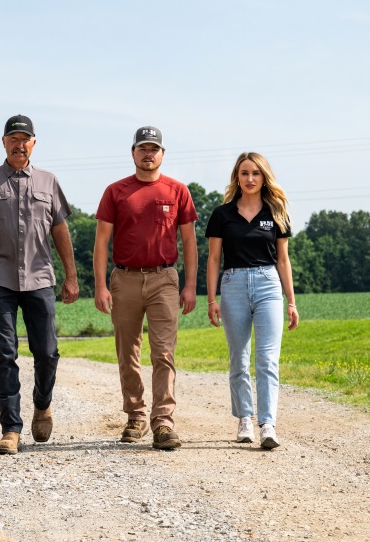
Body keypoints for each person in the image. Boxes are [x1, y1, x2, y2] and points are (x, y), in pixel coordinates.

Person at [0, 114, 79, 455]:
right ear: (3, 143)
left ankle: (42, 404)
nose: (19, 143)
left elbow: (60, 231)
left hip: (40, 277)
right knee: (5, 353)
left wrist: (71, 275)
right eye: (13, 138)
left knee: (46, 351)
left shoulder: (48, 181)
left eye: (24, 138)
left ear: (33, 143)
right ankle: (10, 428)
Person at [93, 126, 198, 451]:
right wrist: (100, 285)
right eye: (143, 148)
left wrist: (191, 285)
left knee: (163, 353)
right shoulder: (116, 191)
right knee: (128, 352)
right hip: (124, 279)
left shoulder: (177, 191)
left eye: (154, 148)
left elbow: (190, 242)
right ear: (133, 153)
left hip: (164, 279)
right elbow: (101, 242)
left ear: (162, 154)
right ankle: (136, 416)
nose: (148, 153)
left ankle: (163, 422)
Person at [205, 152, 299, 450]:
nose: (249, 179)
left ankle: (267, 425)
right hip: (232, 286)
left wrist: (292, 302)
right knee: (239, 359)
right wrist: (211, 300)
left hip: (268, 284)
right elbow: (214, 259)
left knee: (267, 359)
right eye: (244, 173)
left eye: (255, 173)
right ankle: (245, 418)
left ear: (264, 177)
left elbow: (283, 260)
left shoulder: (276, 212)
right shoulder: (222, 215)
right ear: (237, 177)